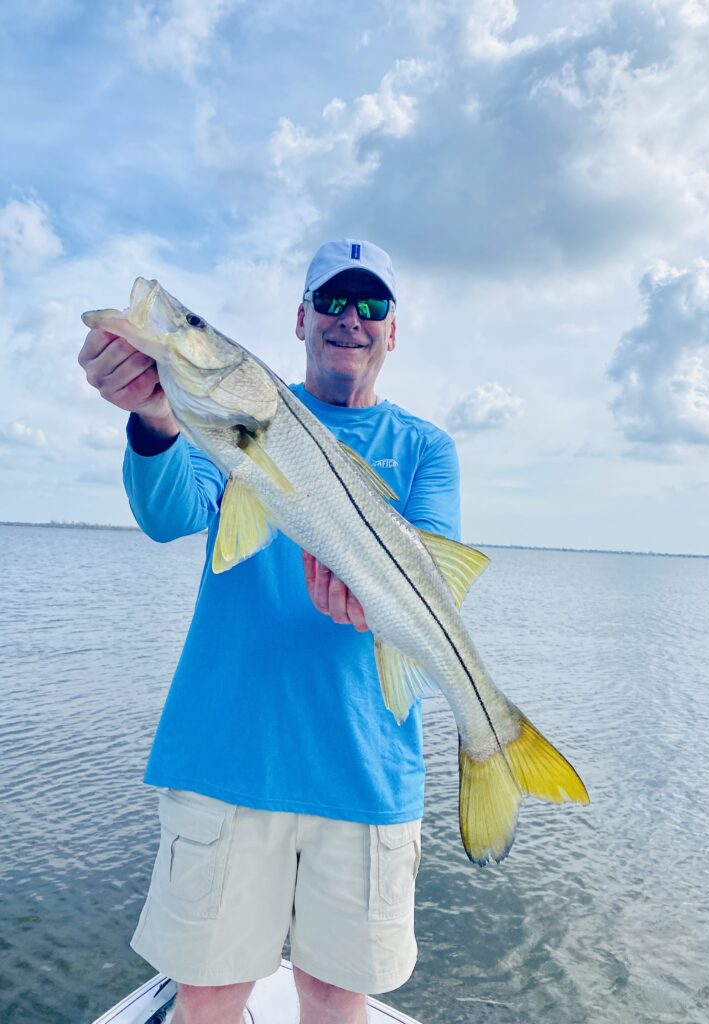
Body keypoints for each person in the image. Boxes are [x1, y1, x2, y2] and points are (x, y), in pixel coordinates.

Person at [78, 239, 460, 1024]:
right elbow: (170, 513)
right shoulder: (229, 419)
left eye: (371, 305)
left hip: (365, 767)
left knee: (335, 996)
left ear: (393, 330)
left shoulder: (426, 448)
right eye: (332, 302)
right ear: (300, 319)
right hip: (227, 757)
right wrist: (154, 418)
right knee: (208, 995)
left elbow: (432, 584)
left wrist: (372, 607)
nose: (350, 319)